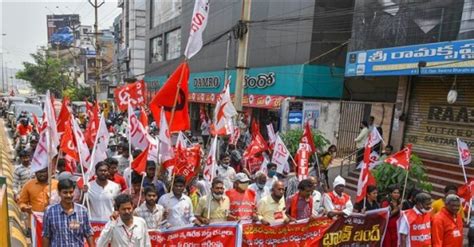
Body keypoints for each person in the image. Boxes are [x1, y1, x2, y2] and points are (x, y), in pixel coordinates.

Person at [42, 179, 94, 247]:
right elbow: (46, 236)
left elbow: (88, 233)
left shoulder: (82, 211)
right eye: (65, 192)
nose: (69, 195)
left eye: (71, 192)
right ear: (59, 193)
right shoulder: (49, 211)